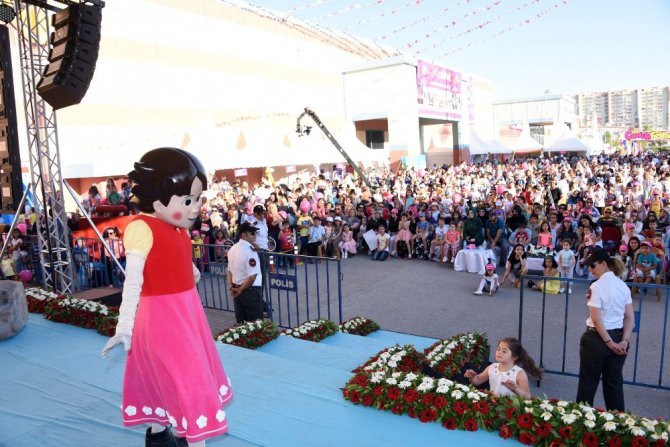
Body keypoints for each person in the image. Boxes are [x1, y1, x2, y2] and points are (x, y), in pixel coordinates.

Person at [101, 148, 232, 446]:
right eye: (188, 200)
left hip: (185, 312)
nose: (195, 207)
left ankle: (159, 436)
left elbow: (179, 263)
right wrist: (124, 326)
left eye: (197, 199)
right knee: (189, 381)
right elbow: (133, 283)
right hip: (162, 319)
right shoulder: (141, 228)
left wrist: (190, 273)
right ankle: (187, 438)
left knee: (165, 378)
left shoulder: (176, 228)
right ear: (158, 201)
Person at [576, 248, 634, 412]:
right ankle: (618, 424)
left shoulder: (596, 286)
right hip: (619, 336)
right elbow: (629, 317)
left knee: (588, 383)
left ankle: (582, 423)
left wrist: (609, 342)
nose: (590, 270)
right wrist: (624, 341)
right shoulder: (623, 286)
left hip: (597, 339)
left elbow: (596, 319)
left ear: (603, 264)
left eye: (592, 265)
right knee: (614, 384)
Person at [464, 337, 542, 399]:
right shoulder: (492, 367)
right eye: (498, 349)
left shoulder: (520, 374)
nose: (499, 352)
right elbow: (477, 381)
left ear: (514, 357)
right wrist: (472, 377)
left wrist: (515, 389)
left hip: (510, 409)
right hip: (493, 404)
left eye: (504, 351)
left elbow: (528, 397)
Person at [227, 222, 264, 323]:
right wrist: (240, 289)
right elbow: (252, 277)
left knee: (241, 323)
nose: (254, 235)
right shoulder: (250, 251)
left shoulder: (232, 249)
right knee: (255, 325)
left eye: (255, 233)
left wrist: (231, 286)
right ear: (243, 234)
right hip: (250, 291)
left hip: (237, 289)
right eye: (252, 233)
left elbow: (229, 271)